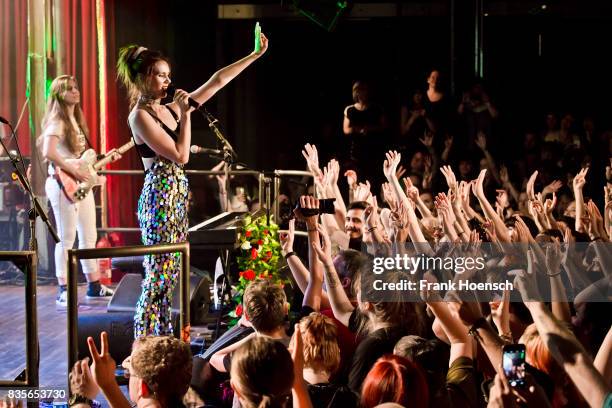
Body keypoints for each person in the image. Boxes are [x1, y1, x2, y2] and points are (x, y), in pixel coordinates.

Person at [117, 25, 268, 337]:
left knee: (170, 276)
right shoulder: (139, 117)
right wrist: (186, 116)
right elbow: (180, 155)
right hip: (158, 199)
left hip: (175, 198)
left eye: (168, 74)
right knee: (158, 277)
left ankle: (162, 338)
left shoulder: (171, 108)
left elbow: (216, 81)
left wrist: (254, 55)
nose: (168, 81)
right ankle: (144, 341)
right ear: (145, 77)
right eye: (161, 74)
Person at [38, 75, 114, 307]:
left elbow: (80, 158)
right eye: (69, 89)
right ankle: (64, 289)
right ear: (59, 94)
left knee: (88, 234)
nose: (75, 91)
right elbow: (49, 151)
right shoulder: (58, 121)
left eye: (76, 87)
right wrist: (73, 169)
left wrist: (96, 164)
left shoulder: (75, 120)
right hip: (63, 183)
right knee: (66, 237)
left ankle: (93, 285)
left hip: (80, 182)